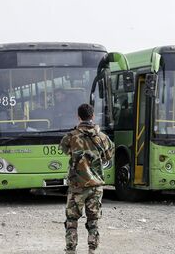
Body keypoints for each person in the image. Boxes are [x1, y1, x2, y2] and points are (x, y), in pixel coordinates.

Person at [59, 103, 114, 254]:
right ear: (93, 116)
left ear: (78, 117)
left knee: (72, 220)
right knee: (93, 221)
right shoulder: (102, 138)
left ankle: (71, 250)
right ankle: (92, 250)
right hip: (96, 186)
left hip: (77, 185)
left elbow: (64, 149)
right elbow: (109, 156)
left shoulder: (71, 136)